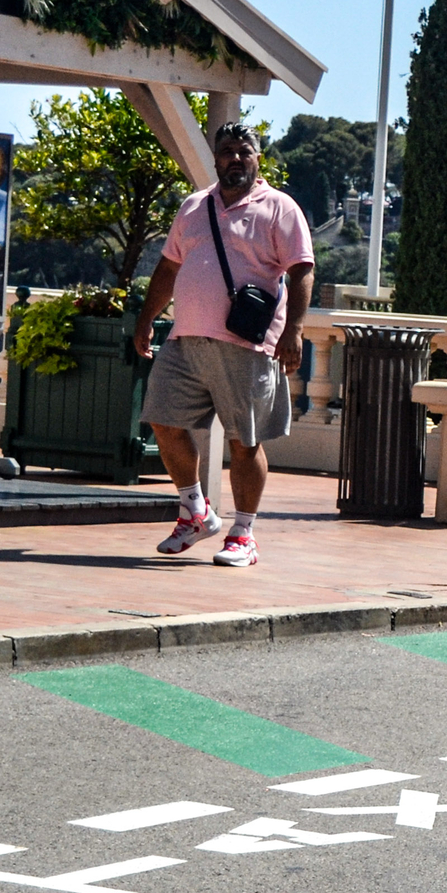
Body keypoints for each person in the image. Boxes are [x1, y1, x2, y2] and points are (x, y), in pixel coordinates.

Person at [132, 121, 312, 569]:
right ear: (216, 159)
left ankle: (243, 533)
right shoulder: (195, 206)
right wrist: (146, 319)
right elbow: (169, 268)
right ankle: (196, 512)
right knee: (162, 420)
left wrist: (294, 331)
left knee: (243, 442)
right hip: (185, 339)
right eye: (227, 151)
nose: (235, 158)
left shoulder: (279, 208)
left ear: (257, 157)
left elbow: (301, 270)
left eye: (243, 151)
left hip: (246, 345)